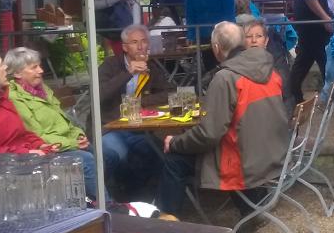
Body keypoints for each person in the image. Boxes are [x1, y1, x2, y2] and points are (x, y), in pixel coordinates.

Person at [158, 22, 289, 221]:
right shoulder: (271, 71)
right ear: (243, 42)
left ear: (216, 48)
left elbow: (209, 135)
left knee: (174, 160)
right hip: (271, 154)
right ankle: (252, 207)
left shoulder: (226, 77)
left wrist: (175, 142)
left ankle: (165, 222)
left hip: (244, 163)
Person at [4, 47, 101, 200]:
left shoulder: (42, 89)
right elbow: (36, 134)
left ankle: (94, 200)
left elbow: (64, 120)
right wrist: (73, 143)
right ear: (17, 73)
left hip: (65, 143)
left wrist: (79, 135)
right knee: (86, 159)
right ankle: (105, 204)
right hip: (45, 150)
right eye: (34, 67)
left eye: (39, 65)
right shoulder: (14, 97)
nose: (41, 71)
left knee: (101, 152)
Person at [98, 25, 175, 197]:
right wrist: (128, 73)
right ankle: (119, 193)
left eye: (144, 41)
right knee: (121, 154)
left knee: (155, 151)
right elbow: (99, 94)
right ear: (125, 47)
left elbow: (170, 92)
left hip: (138, 128)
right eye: (134, 42)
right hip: (110, 126)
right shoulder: (110, 65)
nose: (140, 47)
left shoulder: (151, 66)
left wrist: (140, 102)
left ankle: (138, 196)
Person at [237, 14, 294, 115]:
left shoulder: (276, 61)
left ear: (266, 40)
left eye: (258, 36)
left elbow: (286, 96)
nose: (254, 40)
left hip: (276, 116)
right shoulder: (234, 65)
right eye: (249, 36)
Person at [185, 0, 236, 70]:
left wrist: (230, 33)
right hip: (203, 33)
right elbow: (190, 14)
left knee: (226, 64)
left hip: (222, 33)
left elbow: (229, 12)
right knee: (209, 65)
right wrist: (191, 35)